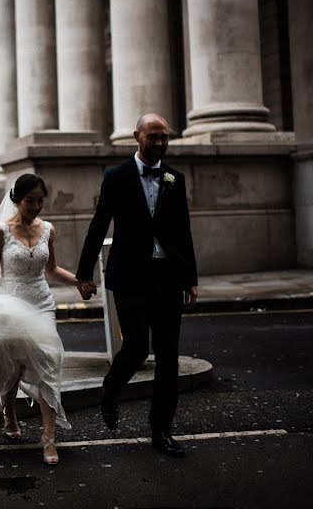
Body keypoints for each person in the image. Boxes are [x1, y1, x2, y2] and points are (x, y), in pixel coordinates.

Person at [76, 113, 198, 458]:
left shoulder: (176, 177)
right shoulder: (116, 176)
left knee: (168, 356)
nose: (159, 143)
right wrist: (84, 274)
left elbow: (182, 230)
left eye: (164, 137)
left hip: (168, 276)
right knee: (135, 350)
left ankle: (161, 430)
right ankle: (110, 389)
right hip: (130, 277)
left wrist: (191, 278)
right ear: (136, 137)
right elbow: (99, 224)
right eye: (153, 137)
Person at [0, 174, 90, 465]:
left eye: (41, 200)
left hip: (42, 306)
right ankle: (10, 413)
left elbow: (51, 269)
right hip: (12, 305)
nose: (36, 206)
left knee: (49, 369)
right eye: (30, 201)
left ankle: (49, 439)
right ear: (17, 199)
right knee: (13, 367)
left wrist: (79, 281)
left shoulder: (48, 229)